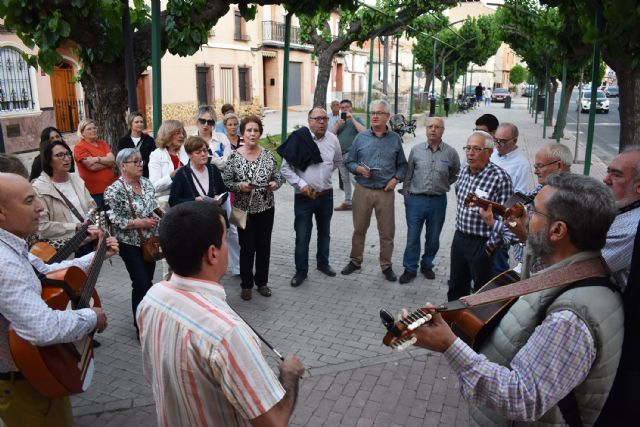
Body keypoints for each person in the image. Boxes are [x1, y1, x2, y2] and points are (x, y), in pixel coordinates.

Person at [403, 173, 623, 426]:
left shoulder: (570, 318)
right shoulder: (574, 268)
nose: (525, 216)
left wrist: (449, 345)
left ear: (558, 230)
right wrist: (527, 237)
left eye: (534, 211)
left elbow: (522, 398)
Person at [137, 201, 304, 426]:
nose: (228, 246)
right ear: (213, 253)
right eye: (225, 239)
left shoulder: (151, 299)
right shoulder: (227, 333)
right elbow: (274, 421)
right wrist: (289, 376)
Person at [0, 172, 114, 426]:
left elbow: (46, 270)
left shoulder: (9, 245)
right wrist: (90, 316)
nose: (40, 207)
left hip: (36, 374)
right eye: (30, 201)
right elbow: (43, 328)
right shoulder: (3, 263)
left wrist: (96, 256)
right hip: (25, 384)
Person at [479, 143, 573, 277]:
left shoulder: (567, 198)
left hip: (545, 271)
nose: (535, 171)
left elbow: (541, 244)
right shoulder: (541, 189)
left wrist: (496, 225)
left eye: (540, 166)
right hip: (527, 263)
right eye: (535, 166)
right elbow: (517, 225)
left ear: (559, 165)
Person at [341, 99, 408, 282]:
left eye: (379, 113)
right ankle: (355, 261)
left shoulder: (394, 138)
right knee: (359, 229)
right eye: (373, 113)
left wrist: (395, 180)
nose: (375, 116)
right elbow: (349, 162)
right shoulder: (361, 137)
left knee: (387, 232)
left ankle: (386, 265)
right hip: (362, 190)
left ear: (387, 117)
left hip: (385, 192)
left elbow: (403, 166)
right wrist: (358, 169)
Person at [222, 116, 284, 301]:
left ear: (260, 133)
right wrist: (240, 186)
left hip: (266, 208)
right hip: (242, 210)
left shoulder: (268, 155)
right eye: (249, 130)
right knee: (246, 248)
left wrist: (274, 184)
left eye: (256, 130)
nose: (252, 134)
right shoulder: (234, 156)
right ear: (242, 133)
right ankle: (246, 285)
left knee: (264, 246)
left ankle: (262, 283)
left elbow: (279, 178)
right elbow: (226, 182)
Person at [281, 107, 342, 288]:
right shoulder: (299, 139)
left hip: (326, 195)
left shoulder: (333, 139)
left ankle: (323, 264)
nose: (322, 122)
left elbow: (338, 161)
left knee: (324, 233)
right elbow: (285, 168)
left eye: (324, 118)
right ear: (309, 121)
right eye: (318, 119)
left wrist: (323, 177)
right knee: (302, 235)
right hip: (304, 197)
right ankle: (301, 271)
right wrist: (303, 184)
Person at [448, 131, 513, 301]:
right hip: (460, 239)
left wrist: (490, 248)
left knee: (481, 292)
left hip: (483, 243)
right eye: (468, 148)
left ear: (489, 152)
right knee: (455, 286)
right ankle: (451, 324)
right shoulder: (463, 172)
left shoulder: (500, 178)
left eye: (476, 149)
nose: (470, 153)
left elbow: (507, 219)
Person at [105, 148, 160, 334]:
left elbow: (153, 206)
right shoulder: (114, 190)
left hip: (150, 242)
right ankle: (140, 325)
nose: (140, 165)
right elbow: (113, 219)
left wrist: (163, 217)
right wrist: (140, 222)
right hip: (129, 243)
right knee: (141, 283)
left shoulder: (146, 183)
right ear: (122, 166)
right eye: (135, 162)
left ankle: (148, 316)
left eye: (140, 161)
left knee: (148, 281)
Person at [399, 117, 460, 284]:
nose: (433, 129)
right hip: (415, 200)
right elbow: (408, 173)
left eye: (437, 127)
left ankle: (427, 264)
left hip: (438, 201)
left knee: (433, 237)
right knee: (412, 236)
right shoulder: (416, 150)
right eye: (430, 126)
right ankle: (410, 268)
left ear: (443, 130)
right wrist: (406, 194)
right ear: (426, 129)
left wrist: (443, 184)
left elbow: (455, 173)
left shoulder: (451, 153)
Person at [32, 139, 98, 257]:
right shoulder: (39, 188)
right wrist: (75, 227)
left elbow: (92, 206)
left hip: (88, 240)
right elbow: (42, 226)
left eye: (67, 154)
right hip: (63, 249)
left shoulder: (76, 179)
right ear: (49, 160)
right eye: (60, 155)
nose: (66, 158)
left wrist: (93, 226)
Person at [602, 147, 640, 289]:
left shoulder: (631, 229)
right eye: (608, 171)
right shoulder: (626, 209)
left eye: (616, 175)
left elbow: (576, 270)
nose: (606, 179)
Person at [168, 136, 227, 207]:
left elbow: (224, 191)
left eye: (205, 150)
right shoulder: (181, 174)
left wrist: (220, 199)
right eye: (198, 152)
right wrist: (193, 200)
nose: (203, 154)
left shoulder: (213, 169)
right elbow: (173, 201)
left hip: (214, 215)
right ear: (189, 155)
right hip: (192, 216)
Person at [332, 99, 366, 212]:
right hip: (340, 154)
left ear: (351, 108)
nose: (344, 109)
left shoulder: (357, 119)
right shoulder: (339, 120)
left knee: (354, 179)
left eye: (347, 107)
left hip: (352, 155)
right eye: (342, 108)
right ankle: (348, 202)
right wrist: (337, 124)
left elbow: (364, 132)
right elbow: (331, 135)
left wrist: (352, 119)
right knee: (345, 179)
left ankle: (364, 201)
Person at [73, 119, 116, 207]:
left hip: (110, 189)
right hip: (95, 193)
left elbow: (112, 160)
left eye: (94, 128)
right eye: (89, 129)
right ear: (82, 132)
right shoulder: (79, 147)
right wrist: (107, 161)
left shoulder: (102, 143)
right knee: (100, 218)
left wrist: (97, 159)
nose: (93, 130)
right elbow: (92, 167)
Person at [148, 119, 188, 211]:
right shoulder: (156, 155)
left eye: (182, 133)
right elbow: (153, 187)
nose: (181, 136)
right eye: (177, 133)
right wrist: (171, 176)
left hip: (187, 198)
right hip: (166, 202)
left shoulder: (186, 151)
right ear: (168, 134)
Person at [222, 112, 243, 276]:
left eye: (235, 124)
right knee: (231, 228)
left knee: (241, 225)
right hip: (228, 190)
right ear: (225, 126)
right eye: (230, 124)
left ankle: (242, 261)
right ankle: (236, 264)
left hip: (241, 191)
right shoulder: (222, 143)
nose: (233, 127)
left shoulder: (243, 140)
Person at [490, 123, 534, 194]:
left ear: (514, 141)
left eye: (502, 141)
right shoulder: (491, 153)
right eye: (495, 140)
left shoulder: (522, 165)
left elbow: (519, 194)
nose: (497, 145)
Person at [117, 112, 156, 178]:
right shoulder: (123, 141)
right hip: (129, 176)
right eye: (136, 122)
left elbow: (153, 159)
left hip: (146, 175)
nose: (140, 124)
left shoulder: (150, 140)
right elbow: (121, 159)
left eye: (141, 122)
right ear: (130, 124)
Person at [193, 105, 231, 171]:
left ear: (213, 124)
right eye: (202, 121)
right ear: (197, 121)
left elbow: (227, 164)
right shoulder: (191, 141)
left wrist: (209, 159)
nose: (206, 124)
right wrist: (215, 160)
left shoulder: (222, 138)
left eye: (210, 122)